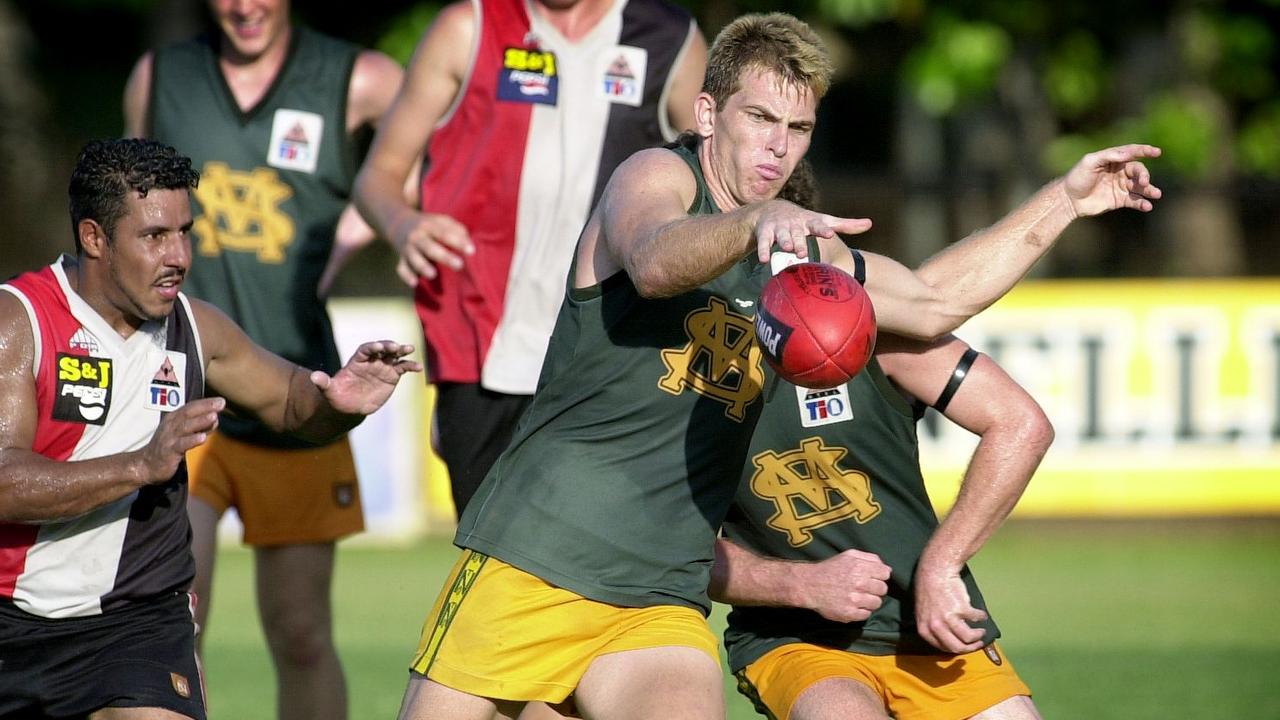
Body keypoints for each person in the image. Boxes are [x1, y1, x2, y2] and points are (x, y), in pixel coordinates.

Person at [397, 12, 1161, 720]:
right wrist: (755, 221)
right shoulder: (654, 178)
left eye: (798, 128)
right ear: (705, 115)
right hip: (536, 557)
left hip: (660, 596)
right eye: (759, 118)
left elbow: (931, 302)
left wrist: (1063, 201)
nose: (778, 145)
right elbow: (658, 262)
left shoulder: (803, 252)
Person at [0, 137, 419, 720]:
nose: (179, 256)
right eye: (154, 237)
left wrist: (342, 401)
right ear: (94, 238)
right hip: (14, 626)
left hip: (138, 621)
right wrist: (140, 466)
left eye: (184, 232)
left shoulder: (197, 330)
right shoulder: (19, 321)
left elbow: (292, 401)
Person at [121, 2, 406, 718]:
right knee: (177, 619)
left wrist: (360, 226)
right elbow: (123, 212)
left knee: (302, 631)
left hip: (298, 392)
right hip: (180, 390)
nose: (245, 6)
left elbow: (448, 156)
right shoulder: (160, 77)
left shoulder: (361, 78)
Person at [352, 0, 708, 515]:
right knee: (489, 563)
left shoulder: (670, 37)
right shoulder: (467, 26)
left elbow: (712, 176)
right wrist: (404, 225)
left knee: (603, 554)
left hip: (615, 343)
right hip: (481, 341)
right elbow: (378, 175)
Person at [713, 330, 1054, 720]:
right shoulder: (679, 379)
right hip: (798, 642)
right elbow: (669, 556)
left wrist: (941, 564)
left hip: (933, 632)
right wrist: (802, 584)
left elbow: (1021, 425)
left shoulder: (876, 331)